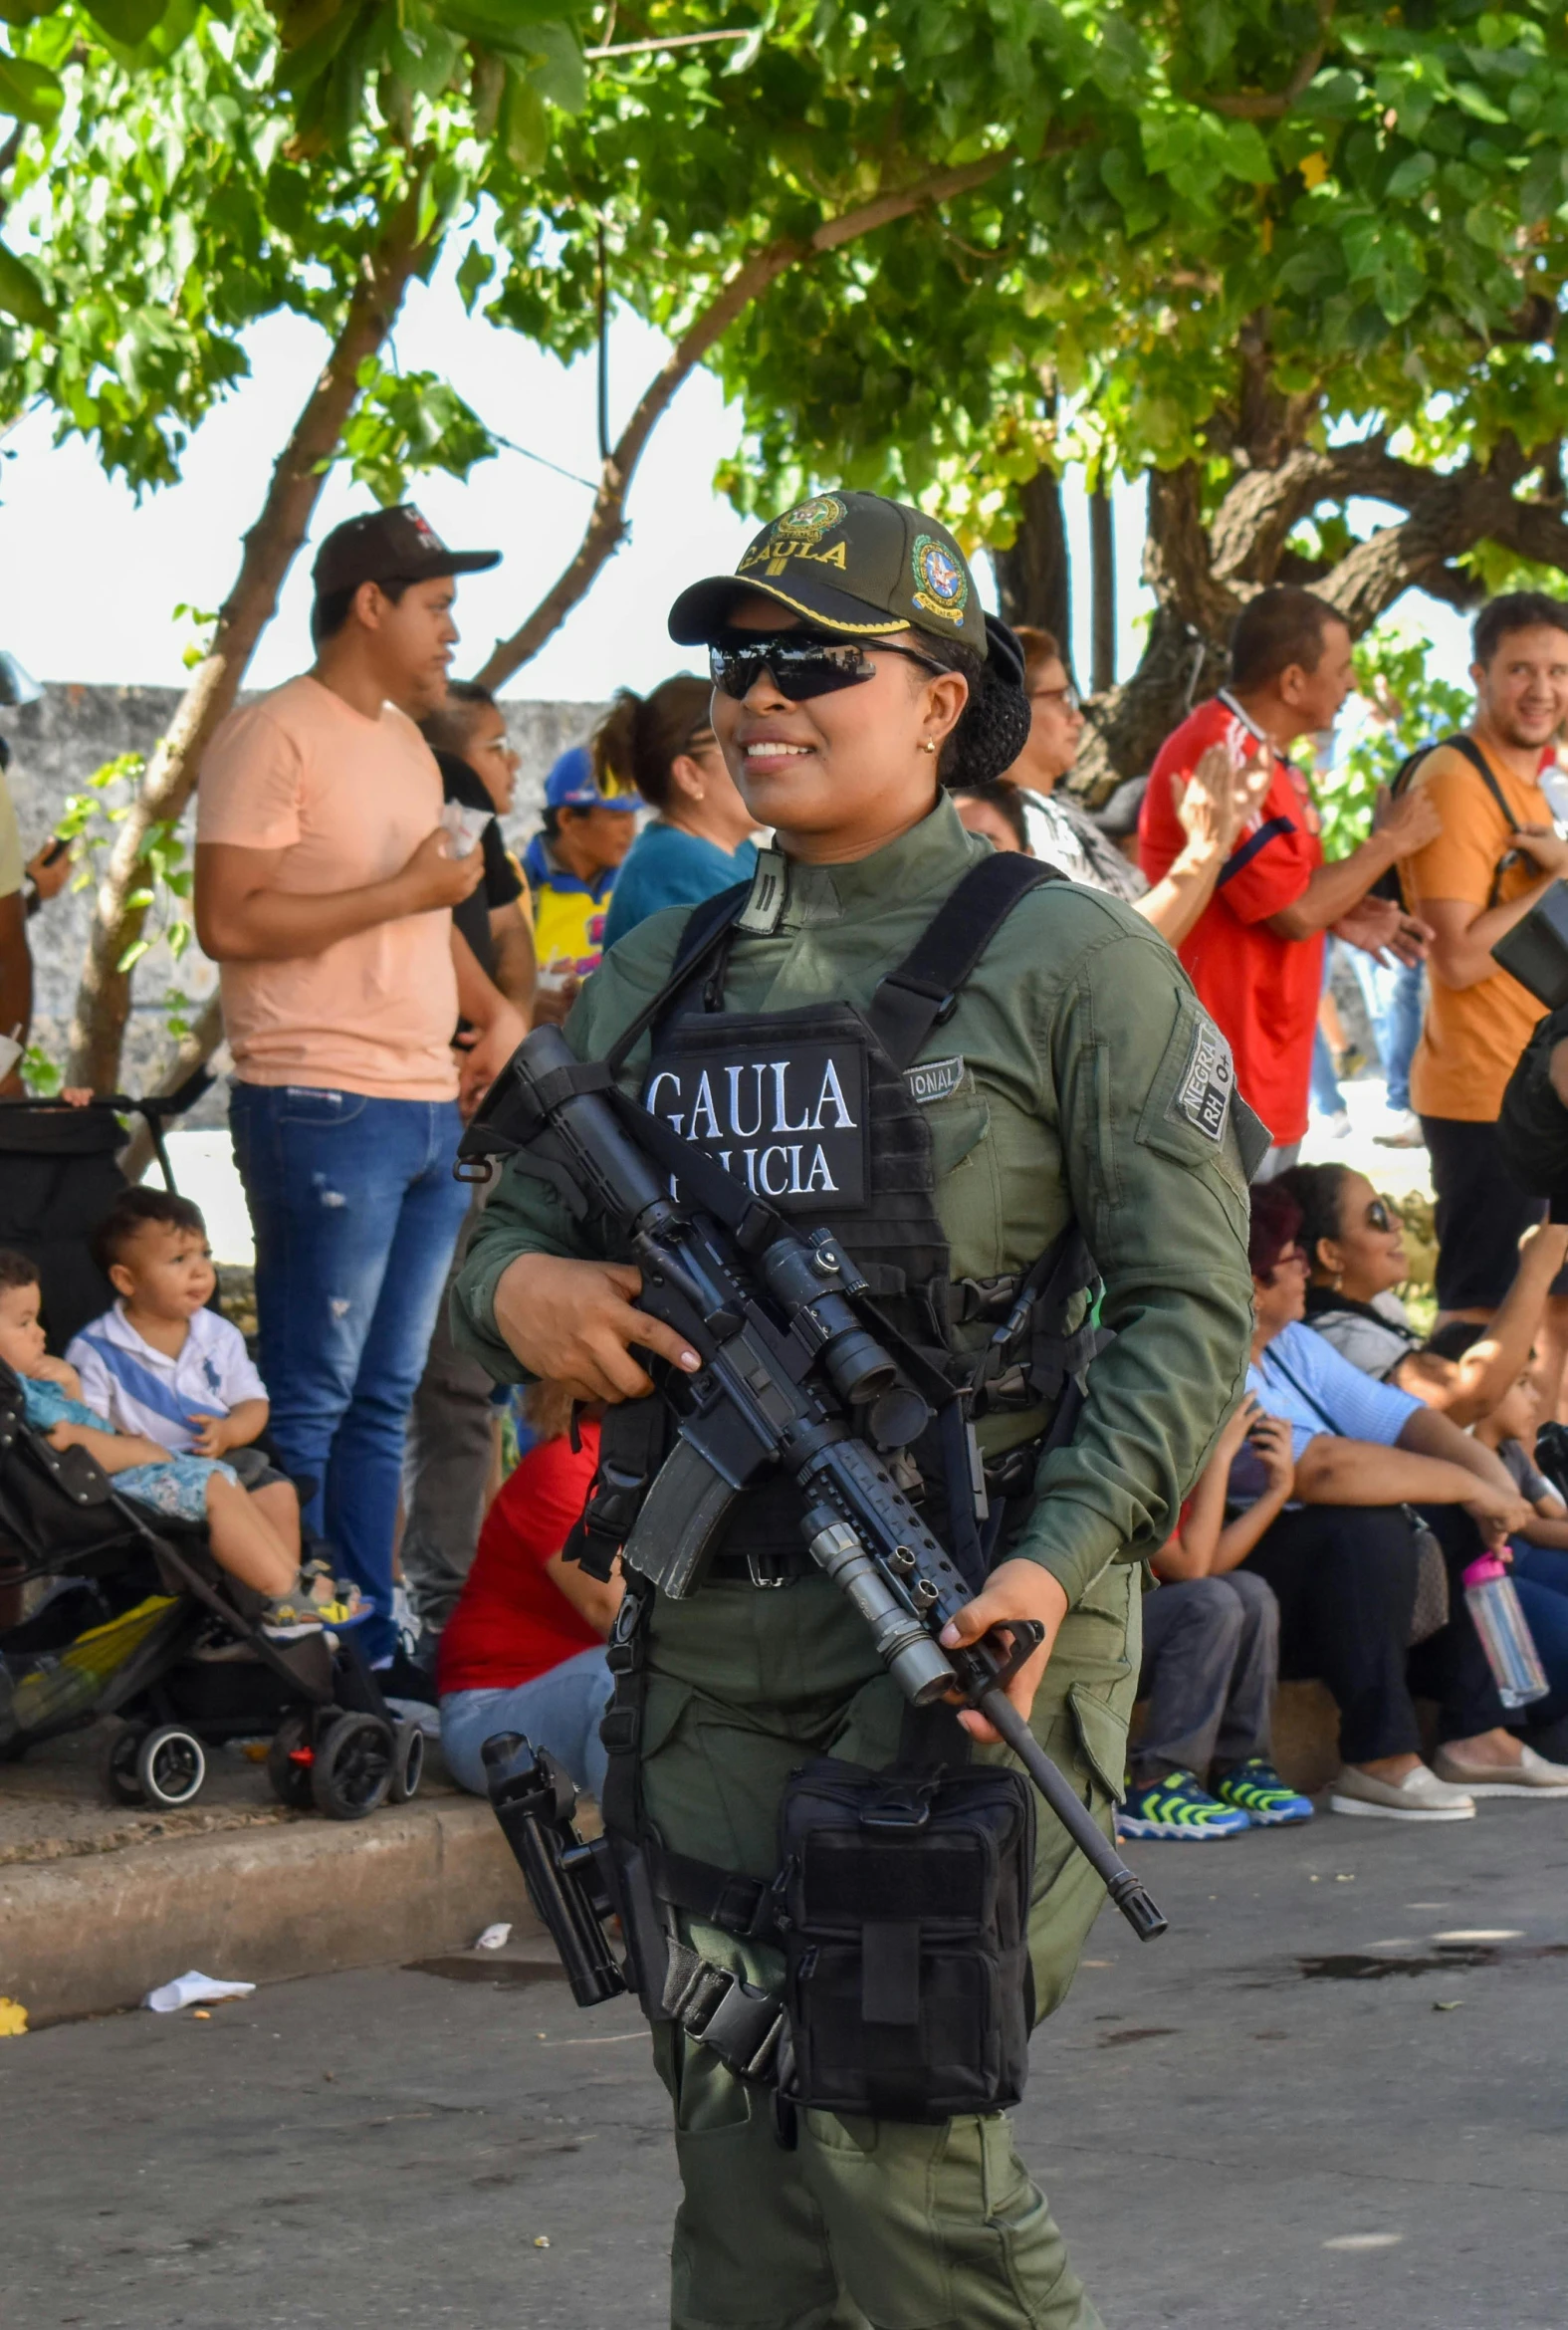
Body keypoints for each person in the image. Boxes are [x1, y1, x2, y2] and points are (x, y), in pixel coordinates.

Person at [453, 488, 1255, 2330]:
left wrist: (1053, 1568)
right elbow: (495, 1246)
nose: (760, 695)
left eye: (818, 658)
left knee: (902, 2148)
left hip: (977, 1637)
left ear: (946, 694)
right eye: (736, 663)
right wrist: (527, 1292)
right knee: (744, 2178)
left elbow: (1190, 1313)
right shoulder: (666, 967)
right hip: (712, 1658)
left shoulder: (1079, 965)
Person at [193, 503, 525, 1667]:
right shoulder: (271, 734)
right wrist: (408, 896)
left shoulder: (396, 741)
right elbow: (228, 920)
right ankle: (298, 1647)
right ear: (369, 605)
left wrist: (500, 1015)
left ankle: (370, 1650)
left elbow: (428, 915)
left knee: (385, 1399)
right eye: (435, 606)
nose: (450, 630)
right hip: (319, 1102)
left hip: (427, 1105)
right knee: (316, 1397)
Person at [1237, 1183, 1568, 1813]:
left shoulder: (1291, 1342)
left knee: (1446, 1504)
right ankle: (1377, 1757)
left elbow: (1401, 1418)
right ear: (1250, 1283)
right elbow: (1323, 1470)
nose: (1305, 1265)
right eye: (1289, 1259)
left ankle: (1476, 1736)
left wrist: (1485, 1480)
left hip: (1344, 1582)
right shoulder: (1214, 1357)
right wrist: (1474, 1484)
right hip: (1255, 1577)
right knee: (1368, 1527)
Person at [1139, 586, 1438, 1177]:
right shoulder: (1220, 747)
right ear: (1294, 682)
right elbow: (1295, 910)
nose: (1352, 684)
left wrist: (1344, 910)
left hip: (1264, 1080)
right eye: (1343, 668)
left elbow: (1284, 892)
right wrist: (1389, 844)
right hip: (1220, 1088)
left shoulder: (1262, 753)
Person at [0, 1247, 360, 1635]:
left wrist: (70, 1384)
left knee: (224, 1480)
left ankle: (293, 1583)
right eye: (23, 1324)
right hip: (103, 1492)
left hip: (108, 1479)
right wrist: (141, 1451)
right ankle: (284, 1594)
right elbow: (65, 1442)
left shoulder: (29, 1389)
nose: (40, 1333)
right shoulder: (13, 1397)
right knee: (214, 1486)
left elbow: (74, 1423)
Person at [1397, 592, 1568, 1337]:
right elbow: (1458, 957)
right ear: (1476, 674)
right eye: (1519, 670)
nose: (1541, 690)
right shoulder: (1456, 780)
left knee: (1544, 1313)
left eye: (1558, 671)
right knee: (1477, 1317)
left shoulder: (1521, 775)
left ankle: (1526, 1458)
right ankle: (1451, 1458)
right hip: (1480, 1099)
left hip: (1532, 1087)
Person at [1001, 623, 1271, 945]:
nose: (1078, 718)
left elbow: (1155, 941)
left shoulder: (1061, 809)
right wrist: (1204, 847)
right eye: (1060, 698)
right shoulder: (1005, 822)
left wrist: (1217, 839)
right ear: (1013, 709)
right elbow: (1116, 945)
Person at [1120, 1393, 1313, 1840]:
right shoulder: (1132, 1453)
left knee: (1251, 1592)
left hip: (1154, 1628)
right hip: (1098, 1635)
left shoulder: (1185, 1461)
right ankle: (1153, 1781)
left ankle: (1239, 1767)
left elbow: (1209, 1563)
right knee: (1209, 1601)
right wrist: (1220, 1455)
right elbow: (1192, 1569)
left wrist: (1277, 1490)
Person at [437, 1383, 620, 1797]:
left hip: (571, 1695)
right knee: (629, 1679)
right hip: (490, 1718)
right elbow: (613, 1611)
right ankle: (640, 1857)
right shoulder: (567, 1462)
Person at [1280, 1160, 1568, 1423]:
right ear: (1330, 1254)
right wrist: (1536, 1271)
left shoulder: (1379, 1304)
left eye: (1388, 1206)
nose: (1397, 1223)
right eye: (1377, 1215)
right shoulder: (1340, 1339)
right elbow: (1464, 1401)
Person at [598, 676, 760, 948]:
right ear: (689, 776)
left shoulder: (735, 849)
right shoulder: (678, 866)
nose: (764, 763)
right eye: (745, 748)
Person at [419, 683, 536, 1019]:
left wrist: (511, 1021)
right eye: (497, 747)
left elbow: (507, 926)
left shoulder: (476, 812)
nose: (514, 761)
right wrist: (506, 1021)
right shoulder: (456, 782)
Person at [524, 747, 639, 1020]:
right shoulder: (517, 888)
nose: (631, 830)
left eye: (633, 816)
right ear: (567, 819)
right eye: (618, 816)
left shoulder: (639, 882)